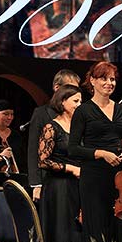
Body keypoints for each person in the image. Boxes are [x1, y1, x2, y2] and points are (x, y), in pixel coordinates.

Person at [68, 61, 122, 242]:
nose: (109, 83)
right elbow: (73, 149)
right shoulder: (83, 111)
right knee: (97, 230)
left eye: (112, 79)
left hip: (119, 179)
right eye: (104, 78)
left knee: (120, 231)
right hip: (94, 178)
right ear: (93, 81)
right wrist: (101, 153)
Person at [37, 84, 83, 242]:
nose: (79, 105)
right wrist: (70, 168)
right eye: (75, 101)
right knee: (62, 233)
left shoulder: (81, 128)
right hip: (59, 188)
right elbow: (43, 161)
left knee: (79, 232)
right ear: (63, 102)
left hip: (78, 186)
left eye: (81, 101)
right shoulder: (51, 127)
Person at [28, 69, 81, 202]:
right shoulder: (41, 114)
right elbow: (33, 149)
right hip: (50, 180)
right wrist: (36, 184)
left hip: (75, 181)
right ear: (57, 88)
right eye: (70, 88)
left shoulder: (78, 116)